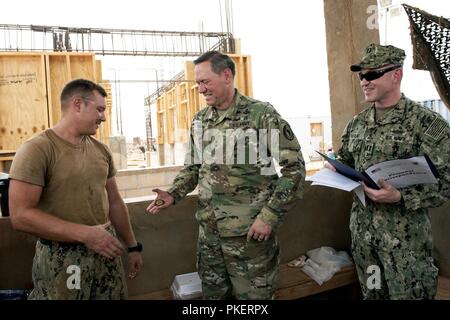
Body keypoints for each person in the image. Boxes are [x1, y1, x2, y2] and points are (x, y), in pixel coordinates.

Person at [147, 51, 305, 299]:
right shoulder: (200, 121)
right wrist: (173, 193)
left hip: (249, 238)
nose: (200, 89)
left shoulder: (260, 115)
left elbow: (293, 169)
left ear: (227, 75)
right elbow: (193, 168)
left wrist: (270, 215)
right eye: (198, 83)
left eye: (205, 81)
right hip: (210, 239)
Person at [329, 43, 450, 299]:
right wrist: (334, 168)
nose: (365, 81)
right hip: (364, 242)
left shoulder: (426, 124)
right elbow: (346, 160)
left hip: (406, 248)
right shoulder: (357, 124)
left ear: (397, 74)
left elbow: (447, 181)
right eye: (361, 75)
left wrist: (401, 197)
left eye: (373, 74)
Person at [8, 79, 143, 299]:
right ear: (78, 104)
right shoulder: (37, 149)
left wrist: (133, 246)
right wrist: (86, 235)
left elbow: (115, 202)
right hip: (62, 258)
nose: (104, 117)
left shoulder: (101, 150)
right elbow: (21, 216)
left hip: (106, 250)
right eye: (99, 109)